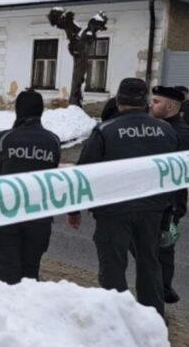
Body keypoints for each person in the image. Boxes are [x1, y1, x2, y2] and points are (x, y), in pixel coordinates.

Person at [68, 78, 179, 317]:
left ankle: (117, 321)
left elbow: (83, 173)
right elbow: (172, 172)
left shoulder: (105, 131)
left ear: (118, 101)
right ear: (146, 102)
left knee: (113, 267)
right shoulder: (166, 130)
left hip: (113, 211)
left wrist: (74, 210)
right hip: (153, 210)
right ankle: (153, 322)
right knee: (149, 264)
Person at [0, 89, 61, 284]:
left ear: (18, 110)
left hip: (6, 214)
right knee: (30, 274)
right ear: (41, 111)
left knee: (8, 274)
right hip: (39, 216)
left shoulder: (4, 138)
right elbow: (53, 168)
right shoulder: (53, 141)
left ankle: (10, 312)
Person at [149, 86, 189, 304]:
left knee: (165, 246)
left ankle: (162, 289)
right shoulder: (158, 128)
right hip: (160, 203)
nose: (150, 105)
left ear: (171, 106)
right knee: (161, 249)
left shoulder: (180, 134)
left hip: (171, 206)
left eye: (156, 101)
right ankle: (162, 287)